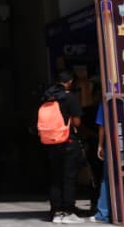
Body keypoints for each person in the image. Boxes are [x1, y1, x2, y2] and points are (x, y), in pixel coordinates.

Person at [39, 71, 83, 224]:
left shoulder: (47, 97)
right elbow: (77, 122)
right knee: (69, 177)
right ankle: (68, 211)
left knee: (55, 178)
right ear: (69, 82)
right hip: (67, 141)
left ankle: (56, 212)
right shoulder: (71, 97)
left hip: (50, 142)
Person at [90, 102, 111, 223]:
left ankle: (104, 213)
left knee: (107, 177)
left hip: (112, 142)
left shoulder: (106, 100)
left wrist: (100, 145)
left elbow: (102, 125)